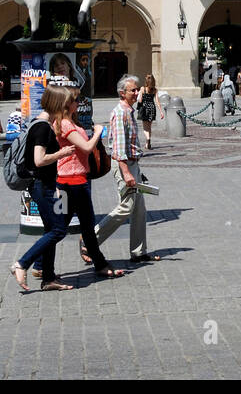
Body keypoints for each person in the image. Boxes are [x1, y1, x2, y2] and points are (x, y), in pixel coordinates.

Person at [48, 85, 122, 278]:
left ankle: (41, 264)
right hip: (74, 183)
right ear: (66, 104)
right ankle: (100, 265)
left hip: (70, 181)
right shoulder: (65, 124)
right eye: (75, 101)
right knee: (77, 226)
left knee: (65, 226)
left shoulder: (69, 122)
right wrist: (98, 131)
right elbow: (87, 147)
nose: (78, 104)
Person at [11, 90, 75, 292]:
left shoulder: (38, 124)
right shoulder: (42, 128)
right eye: (65, 105)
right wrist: (61, 153)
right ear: (57, 104)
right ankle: (22, 263)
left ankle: (48, 278)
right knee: (58, 230)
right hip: (42, 186)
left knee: (51, 229)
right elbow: (39, 160)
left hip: (45, 185)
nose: (67, 109)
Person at [93, 75, 157, 264]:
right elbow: (119, 149)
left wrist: (136, 168)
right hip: (124, 165)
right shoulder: (120, 112)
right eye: (133, 90)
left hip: (132, 163)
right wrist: (127, 172)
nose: (137, 93)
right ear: (122, 93)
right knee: (127, 206)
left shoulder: (129, 111)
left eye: (137, 89)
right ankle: (91, 240)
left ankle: (138, 252)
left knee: (139, 209)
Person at [136, 73, 159, 149]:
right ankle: (147, 143)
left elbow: (140, 100)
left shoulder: (143, 89)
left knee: (145, 128)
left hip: (144, 109)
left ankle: (148, 139)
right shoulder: (155, 90)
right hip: (152, 108)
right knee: (149, 127)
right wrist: (161, 112)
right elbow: (157, 101)